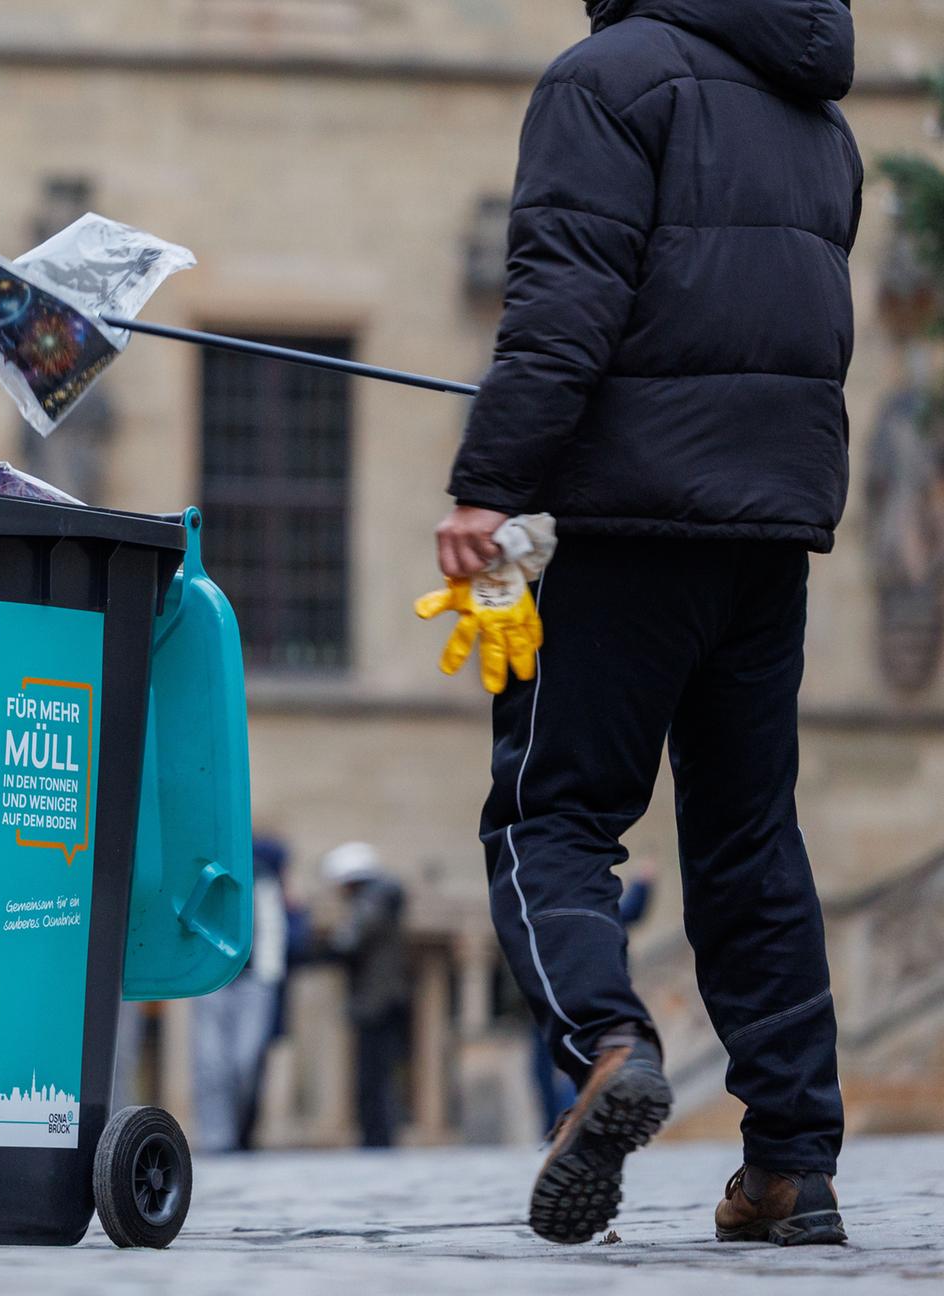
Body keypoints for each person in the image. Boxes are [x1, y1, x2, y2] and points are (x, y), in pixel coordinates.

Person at [434, 0, 862, 1247]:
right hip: (770, 524)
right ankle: (791, 1167)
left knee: (550, 812)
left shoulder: (604, 81)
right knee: (748, 840)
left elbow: (566, 299)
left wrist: (489, 484)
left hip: (628, 521)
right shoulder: (816, 110)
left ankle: (608, 1044)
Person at [531, 874, 653, 1134]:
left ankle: (573, 1126)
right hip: (553, 1003)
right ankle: (563, 1127)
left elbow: (629, 911)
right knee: (552, 1071)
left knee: (576, 1068)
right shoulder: (563, 906)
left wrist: (643, 884)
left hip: (575, 1001)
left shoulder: (582, 908)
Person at [192, 837, 289, 1153]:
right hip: (213, 980)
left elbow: (274, 931)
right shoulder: (206, 872)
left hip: (253, 980)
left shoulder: (263, 878)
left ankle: (238, 1131)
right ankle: (217, 1139)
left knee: (244, 1061)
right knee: (209, 1063)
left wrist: (270, 976)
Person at [317, 842, 410, 1148]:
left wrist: (324, 947)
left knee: (373, 1077)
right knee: (378, 1074)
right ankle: (377, 1137)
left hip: (377, 1002)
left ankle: (377, 1140)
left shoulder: (373, 901)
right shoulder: (385, 899)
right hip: (384, 999)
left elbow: (352, 940)